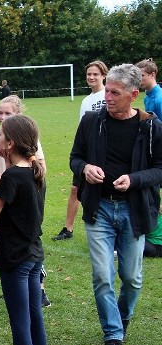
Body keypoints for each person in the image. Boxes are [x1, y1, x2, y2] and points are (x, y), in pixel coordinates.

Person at [70, 63, 162, 345]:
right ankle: (112, 335)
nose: (106, 96)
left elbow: (160, 169)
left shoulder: (151, 127)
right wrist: (85, 168)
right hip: (99, 208)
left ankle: (120, 321)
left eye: (114, 92)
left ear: (133, 95)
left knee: (132, 278)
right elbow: (75, 158)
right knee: (102, 275)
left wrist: (134, 180)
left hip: (133, 211)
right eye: (106, 89)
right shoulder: (91, 122)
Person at [0, 114, 49, 345]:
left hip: (16, 258)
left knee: (21, 323)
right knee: (35, 319)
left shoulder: (12, 177)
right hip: (34, 254)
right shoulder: (36, 172)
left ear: (9, 144)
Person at [0, 95, 51, 307]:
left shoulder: (14, 176)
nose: (2, 118)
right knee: (32, 312)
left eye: (7, 114)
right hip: (31, 247)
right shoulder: (31, 171)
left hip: (15, 252)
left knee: (20, 316)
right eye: (0, 113)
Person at [54, 60, 109, 241]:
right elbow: (82, 129)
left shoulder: (108, 96)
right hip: (87, 152)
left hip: (105, 152)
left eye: (95, 74)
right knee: (75, 189)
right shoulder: (86, 100)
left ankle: (106, 230)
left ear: (104, 75)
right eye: (89, 74)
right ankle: (68, 229)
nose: (91, 77)